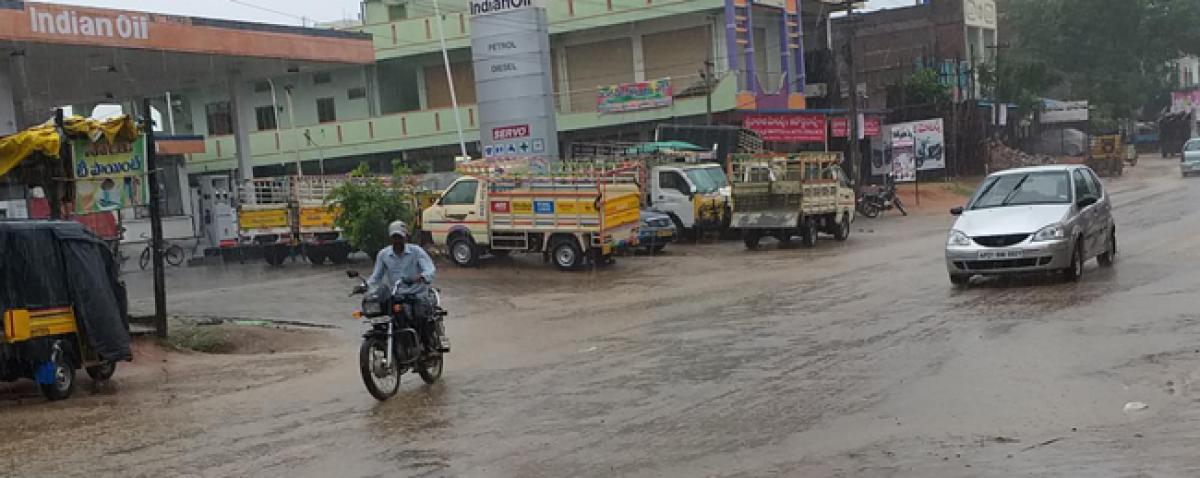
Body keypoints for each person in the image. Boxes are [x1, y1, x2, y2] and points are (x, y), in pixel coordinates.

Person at [366, 220, 446, 352]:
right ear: (390, 238)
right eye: (394, 237)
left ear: (406, 237)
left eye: (400, 237)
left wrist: (422, 277)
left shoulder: (416, 252)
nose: (397, 241)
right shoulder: (383, 255)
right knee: (382, 316)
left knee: (420, 316)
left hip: (417, 294)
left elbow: (429, 269)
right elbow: (376, 277)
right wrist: (365, 286)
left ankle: (427, 347)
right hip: (396, 296)